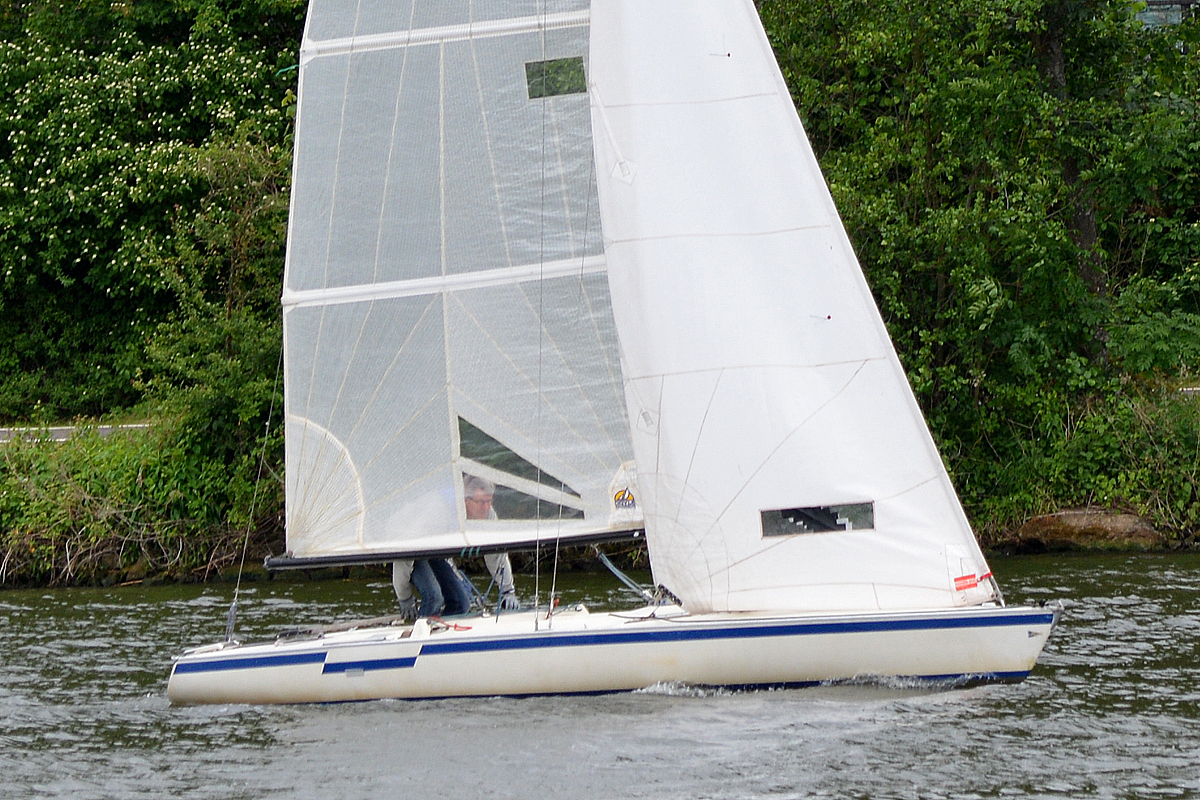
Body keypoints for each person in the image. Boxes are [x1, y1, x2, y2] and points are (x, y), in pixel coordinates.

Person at [392, 475, 518, 617]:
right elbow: (404, 554)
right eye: (481, 502)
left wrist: (508, 591)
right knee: (434, 596)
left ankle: (441, 626)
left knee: (461, 603)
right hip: (407, 544)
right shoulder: (436, 512)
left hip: (436, 549)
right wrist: (404, 598)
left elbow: (496, 554)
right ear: (466, 500)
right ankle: (420, 626)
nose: (486, 507)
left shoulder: (488, 514)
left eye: (489, 501)